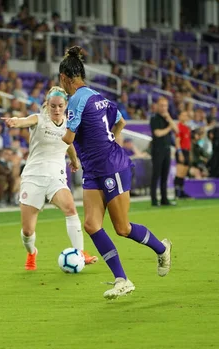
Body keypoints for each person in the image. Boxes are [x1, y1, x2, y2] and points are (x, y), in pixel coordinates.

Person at [59, 46, 172, 300]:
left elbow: (67, 137)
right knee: (91, 224)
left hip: (111, 167)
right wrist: (108, 140)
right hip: (95, 169)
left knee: (122, 228)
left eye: (61, 81)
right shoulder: (99, 96)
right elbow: (120, 122)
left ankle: (161, 248)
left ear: (65, 78)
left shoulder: (75, 100)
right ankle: (122, 279)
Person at [2, 86, 97, 271]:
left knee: (70, 208)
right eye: (53, 106)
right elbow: (24, 121)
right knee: (28, 231)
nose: (57, 110)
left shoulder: (69, 124)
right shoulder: (38, 119)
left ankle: (80, 253)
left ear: (65, 105)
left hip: (56, 176)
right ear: (47, 104)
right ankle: (31, 252)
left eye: (60, 106)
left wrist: (74, 160)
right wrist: (16, 121)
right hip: (33, 176)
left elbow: (68, 143)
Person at [149, 97, 177, 206]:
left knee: (165, 175)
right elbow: (158, 133)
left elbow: (176, 130)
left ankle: (164, 199)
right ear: (157, 106)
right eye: (162, 105)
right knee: (156, 175)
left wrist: (169, 119)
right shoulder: (154, 118)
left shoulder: (167, 118)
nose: (164, 108)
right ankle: (154, 200)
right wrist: (169, 127)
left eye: (165, 106)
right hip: (157, 150)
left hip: (167, 150)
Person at [174, 110, 191, 198]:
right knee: (179, 172)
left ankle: (182, 190)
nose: (185, 117)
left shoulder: (187, 128)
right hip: (181, 151)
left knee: (184, 172)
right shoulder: (178, 127)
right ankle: (177, 192)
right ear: (179, 117)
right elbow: (177, 141)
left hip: (187, 151)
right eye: (183, 115)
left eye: (186, 115)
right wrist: (179, 152)